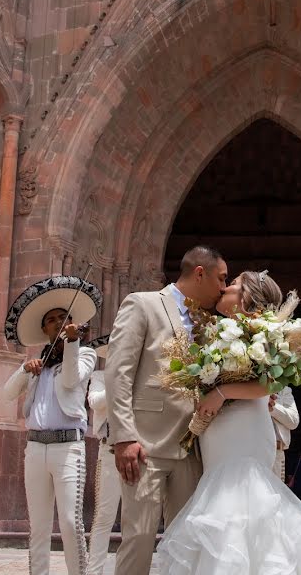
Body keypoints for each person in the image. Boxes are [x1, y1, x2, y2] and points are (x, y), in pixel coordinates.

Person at [156, 270, 301, 573]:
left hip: (246, 427)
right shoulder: (215, 331)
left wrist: (221, 392)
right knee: (218, 504)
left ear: (248, 300)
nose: (225, 288)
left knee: (242, 502)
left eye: (233, 284)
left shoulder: (267, 332)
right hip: (217, 432)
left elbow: (271, 384)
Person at [105, 246, 227, 574]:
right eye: (220, 278)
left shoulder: (212, 325)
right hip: (145, 445)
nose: (224, 288)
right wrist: (124, 437)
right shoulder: (143, 304)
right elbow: (119, 372)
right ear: (199, 273)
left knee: (187, 542)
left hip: (192, 449)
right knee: (140, 538)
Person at [3, 275, 101, 575]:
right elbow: (7, 393)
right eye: (52, 320)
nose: (58, 323)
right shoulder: (38, 363)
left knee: (71, 522)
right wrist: (25, 369)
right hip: (35, 446)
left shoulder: (85, 353)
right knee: (39, 526)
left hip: (67, 446)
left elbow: (72, 379)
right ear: (44, 329)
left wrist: (72, 342)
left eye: (64, 318)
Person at [84, 336, 121, 575]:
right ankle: (94, 570)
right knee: (104, 515)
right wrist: (119, 383)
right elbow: (95, 402)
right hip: (109, 450)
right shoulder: (99, 377)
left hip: (138, 450)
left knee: (135, 518)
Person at [269, 386, 299, 479]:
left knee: (276, 492)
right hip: (251, 451)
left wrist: (272, 406)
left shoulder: (283, 389)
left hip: (276, 453)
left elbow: (294, 421)